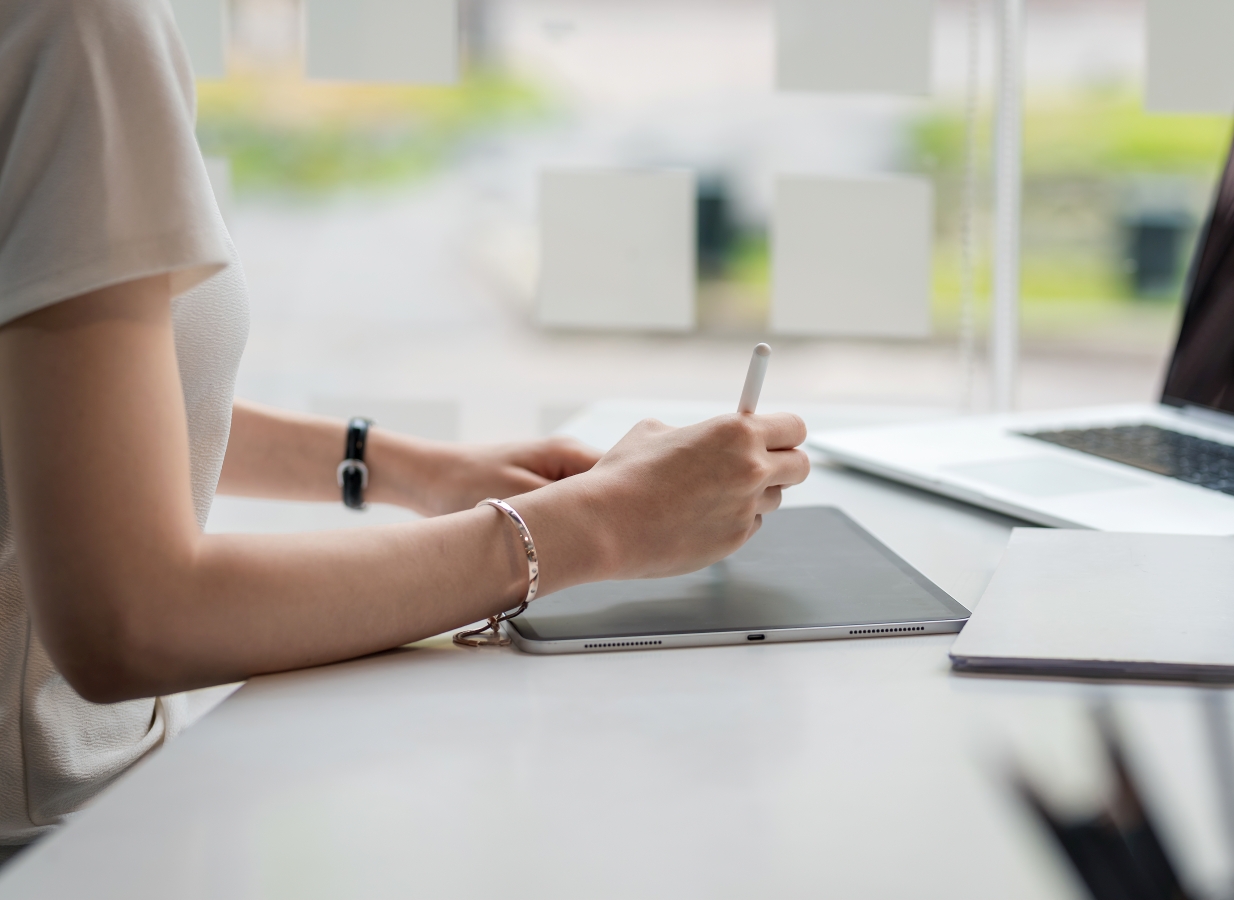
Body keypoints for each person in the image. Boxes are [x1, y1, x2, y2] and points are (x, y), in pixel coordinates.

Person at [0, 0, 808, 858]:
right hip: (65, 847)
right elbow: (136, 619)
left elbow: (66, 420)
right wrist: (596, 529)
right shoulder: (79, 26)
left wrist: (406, 468)